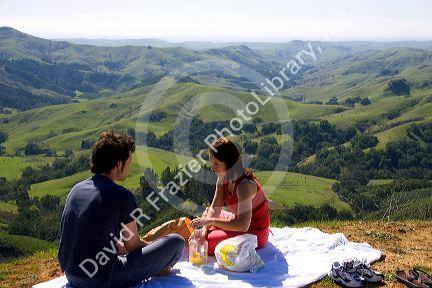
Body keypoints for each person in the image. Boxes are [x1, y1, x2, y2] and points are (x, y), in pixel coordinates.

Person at [58, 131, 185, 288]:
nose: (129, 168)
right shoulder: (122, 196)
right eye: (129, 163)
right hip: (101, 279)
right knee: (176, 242)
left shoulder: (76, 189)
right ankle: (160, 266)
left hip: (71, 275)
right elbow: (132, 246)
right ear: (119, 164)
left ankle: (156, 265)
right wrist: (156, 251)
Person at [190, 138, 270, 255]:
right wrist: (205, 228)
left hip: (254, 232)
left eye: (216, 164)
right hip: (237, 219)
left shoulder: (244, 186)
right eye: (212, 164)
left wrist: (211, 221)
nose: (212, 168)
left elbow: (243, 225)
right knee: (205, 218)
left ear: (230, 163)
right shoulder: (222, 179)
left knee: (205, 242)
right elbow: (214, 208)